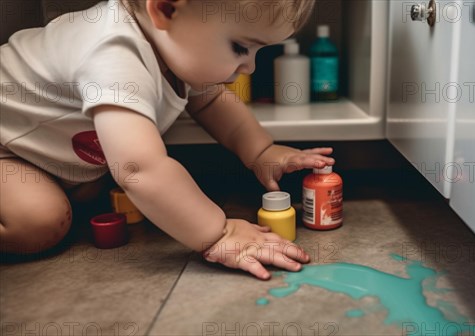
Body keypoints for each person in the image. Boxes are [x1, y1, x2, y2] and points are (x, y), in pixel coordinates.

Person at [0, 0, 334, 280]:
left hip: (39, 152)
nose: (249, 67)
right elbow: (138, 169)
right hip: (6, 147)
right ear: (166, 9)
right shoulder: (113, 51)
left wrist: (261, 150)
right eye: (241, 47)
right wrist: (219, 233)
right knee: (41, 222)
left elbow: (211, 99)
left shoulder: (172, 46)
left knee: (90, 191)